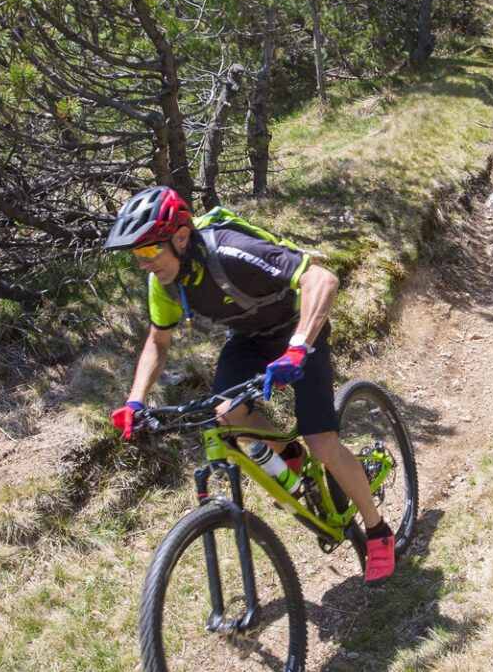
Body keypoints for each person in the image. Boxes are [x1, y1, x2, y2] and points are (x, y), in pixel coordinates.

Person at [104, 186, 395, 583]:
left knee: (323, 444)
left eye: (150, 251)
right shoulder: (165, 281)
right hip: (248, 339)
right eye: (137, 254)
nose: (144, 263)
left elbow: (322, 280)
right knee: (226, 415)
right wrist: (135, 401)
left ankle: (377, 531)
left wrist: (298, 347)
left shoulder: (229, 249)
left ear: (181, 237)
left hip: (298, 330)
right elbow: (158, 341)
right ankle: (288, 455)